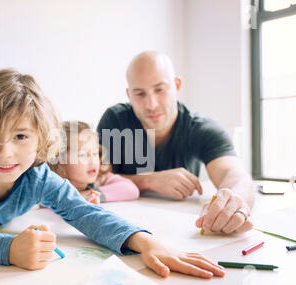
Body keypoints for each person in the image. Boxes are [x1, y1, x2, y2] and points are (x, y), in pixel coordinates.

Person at [0, 68, 225, 279]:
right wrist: (8, 250)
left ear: (41, 139)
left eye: (20, 137)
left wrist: (145, 241)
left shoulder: (39, 176)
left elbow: (84, 212)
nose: (4, 152)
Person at [97, 51, 254, 235]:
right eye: (139, 94)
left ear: (177, 85)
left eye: (160, 89)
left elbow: (235, 174)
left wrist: (233, 199)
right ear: (129, 94)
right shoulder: (115, 121)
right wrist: (150, 180)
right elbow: (90, 182)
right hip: (121, 228)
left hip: (181, 231)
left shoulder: (202, 129)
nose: (151, 104)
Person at [49, 120, 140, 204]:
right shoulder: (52, 183)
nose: (93, 161)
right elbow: (47, 200)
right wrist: (76, 197)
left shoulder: (100, 178)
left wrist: (91, 194)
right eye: (82, 155)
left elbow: (132, 190)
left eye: (95, 153)